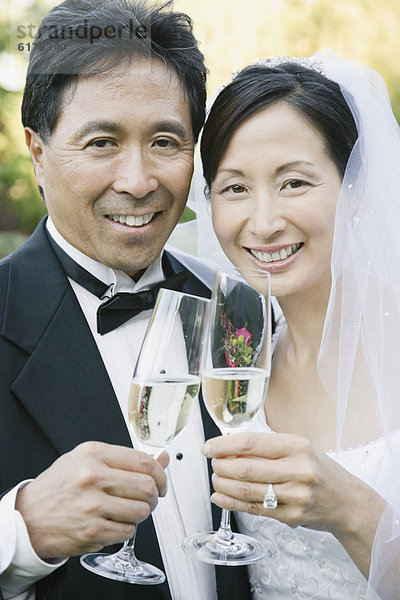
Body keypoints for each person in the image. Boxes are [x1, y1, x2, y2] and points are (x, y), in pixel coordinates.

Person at [0, 1, 252, 599]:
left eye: (165, 141)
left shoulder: (242, 311)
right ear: (38, 153)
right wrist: (22, 530)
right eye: (101, 143)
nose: (138, 181)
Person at [189, 53, 400, 599]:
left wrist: (349, 509)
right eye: (234, 188)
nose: (262, 222)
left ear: (354, 184)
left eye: (294, 183)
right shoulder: (238, 360)